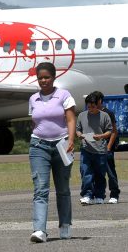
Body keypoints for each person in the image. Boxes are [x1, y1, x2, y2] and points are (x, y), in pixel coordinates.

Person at [28, 62, 76, 243]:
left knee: (62, 189)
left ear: (54, 77)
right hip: (38, 146)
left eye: (47, 77)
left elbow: (71, 119)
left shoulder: (64, 95)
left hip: (62, 145)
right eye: (40, 78)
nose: (43, 80)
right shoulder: (33, 99)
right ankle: (39, 230)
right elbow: (34, 122)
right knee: (40, 188)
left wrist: (71, 140)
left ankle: (65, 225)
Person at [77, 92, 112, 206]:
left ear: (98, 104)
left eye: (93, 106)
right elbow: (78, 129)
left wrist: (101, 136)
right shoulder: (82, 115)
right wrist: (80, 134)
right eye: (88, 106)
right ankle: (87, 195)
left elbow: (109, 131)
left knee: (100, 174)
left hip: (100, 150)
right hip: (86, 149)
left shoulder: (105, 115)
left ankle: (99, 195)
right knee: (86, 172)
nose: (90, 108)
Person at [93, 91, 120, 204]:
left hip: (107, 146)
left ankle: (114, 194)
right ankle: (99, 195)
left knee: (110, 171)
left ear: (100, 101)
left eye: (95, 100)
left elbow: (114, 131)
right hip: (95, 147)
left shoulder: (108, 113)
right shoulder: (91, 113)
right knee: (97, 172)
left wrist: (109, 147)